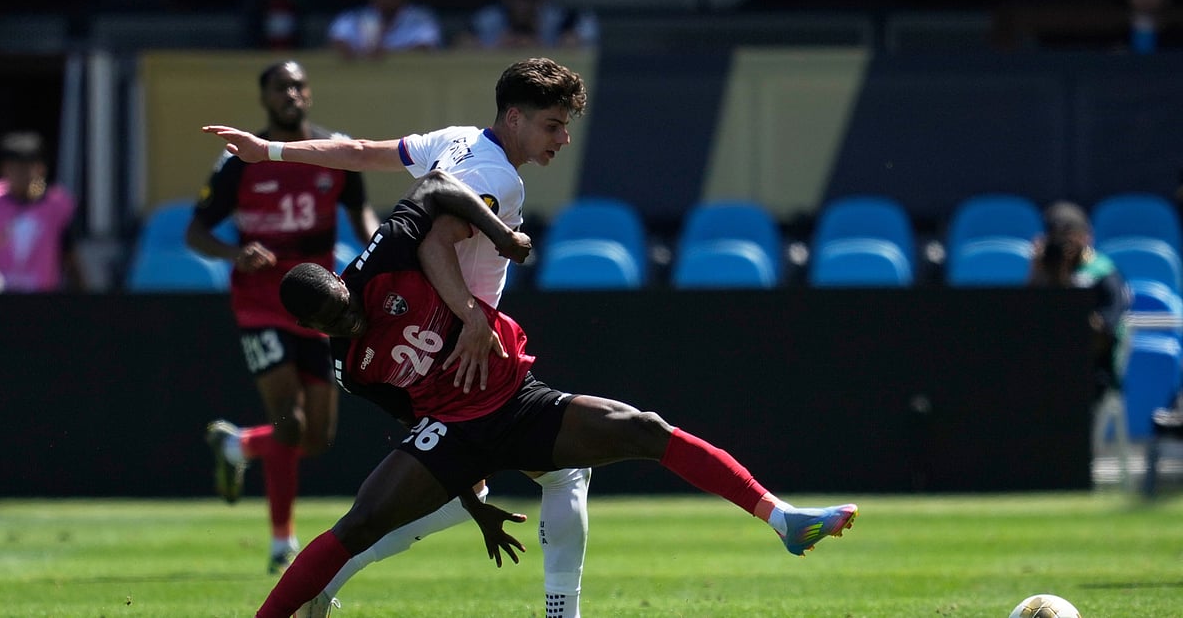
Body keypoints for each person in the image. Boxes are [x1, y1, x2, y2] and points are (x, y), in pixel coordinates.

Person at [241, 167, 858, 617]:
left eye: (345, 309)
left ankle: (783, 518)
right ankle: (296, 603)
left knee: (640, 427)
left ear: (342, 286)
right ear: (312, 328)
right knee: (364, 520)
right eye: (332, 324)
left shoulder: (381, 259)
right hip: (454, 430)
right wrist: (472, 500)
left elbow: (431, 187)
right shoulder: (350, 365)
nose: (347, 323)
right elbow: (412, 417)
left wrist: (501, 235)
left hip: (517, 400)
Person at [204, 56, 596, 618]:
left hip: (426, 331)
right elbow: (438, 236)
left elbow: (363, 153)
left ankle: (320, 582)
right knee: (563, 470)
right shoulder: (499, 177)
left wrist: (270, 150)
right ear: (516, 116)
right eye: (554, 124)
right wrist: (473, 313)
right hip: (463, 343)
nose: (561, 136)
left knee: (462, 491)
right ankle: (563, 613)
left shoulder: (456, 139)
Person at [185, 60, 380, 574]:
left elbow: (360, 210)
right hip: (259, 303)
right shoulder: (240, 160)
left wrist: (380, 248)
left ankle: (239, 445)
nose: (290, 94)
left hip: (319, 304)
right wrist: (236, 254)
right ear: (265, 98)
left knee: (316, 437)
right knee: (289, 423)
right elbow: (196, 232)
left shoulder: (333, 151)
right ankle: (280, 542)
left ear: (309, 94)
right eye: (279, 87)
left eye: (297, 86)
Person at [1027, 201, 1131, 405]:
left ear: (1086, 236)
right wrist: (1038, 274)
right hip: (1046, 364)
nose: (1066, 245)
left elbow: (1104, 334)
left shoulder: (1104, 274)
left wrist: (1070, 290)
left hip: (1090, 370)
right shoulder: (1045, 272)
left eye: (1070, 236)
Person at [0, 130, 84, 293]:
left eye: (30, 167)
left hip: (43, 302)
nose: (24, 174)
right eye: (16, 168)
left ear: (41, 169)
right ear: (3, 169)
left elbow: (70, 256)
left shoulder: (58, 204)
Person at [457, 0, 599, 49]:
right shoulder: (485, 21)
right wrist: (497, 49)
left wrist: (540, 50)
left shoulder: (564, 20)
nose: (521, 3)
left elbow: (580, 47)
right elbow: (462, 44)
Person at [326, 0, 442, 58]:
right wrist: (352, 53)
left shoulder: (421, 18)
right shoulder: (355, 17)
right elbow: (338, 38)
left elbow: (426, 46)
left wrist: (388, 54)